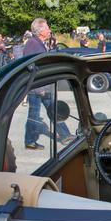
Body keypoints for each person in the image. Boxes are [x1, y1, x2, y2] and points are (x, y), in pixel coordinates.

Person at [23, 17, 74, 150]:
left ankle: (65, 135)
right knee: (34, 115)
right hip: (38, 88)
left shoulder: (38, 42)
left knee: (54, 111)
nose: (49, 29)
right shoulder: (32, 43)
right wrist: (40, 87)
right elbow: (31, 66)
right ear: (40, 30)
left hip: (44, 87)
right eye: (47, 27)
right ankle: (29, 141)